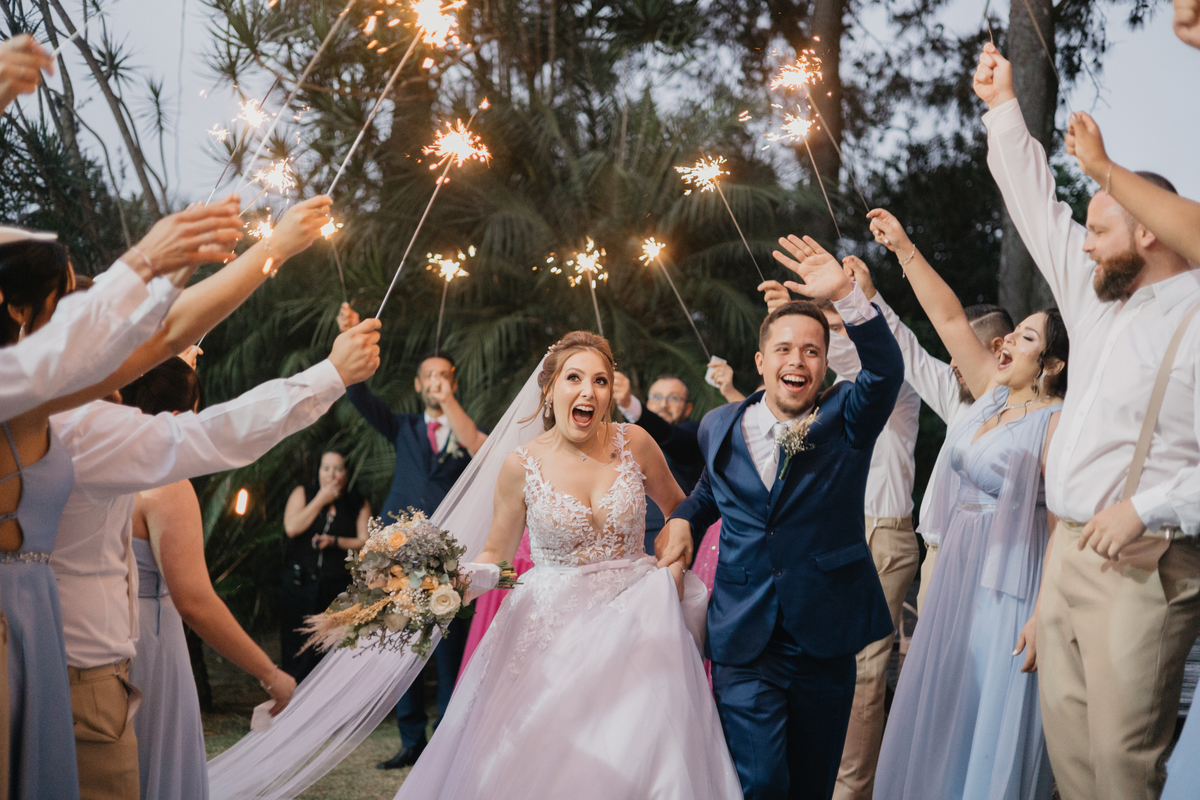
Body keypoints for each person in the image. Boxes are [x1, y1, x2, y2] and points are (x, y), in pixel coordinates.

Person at [976, 43, 1200, 800]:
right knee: (1071, 768)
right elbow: (1036, 204)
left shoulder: (1196, 321)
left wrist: (1146, 506)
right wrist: (1002, 108)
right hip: (1065, 557)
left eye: (1100, 229)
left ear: (1149, 232)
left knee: (1122, 769)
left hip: (1146, 565)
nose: (1084, 242)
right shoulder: (1099, 301)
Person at [394, 330, 742, 799]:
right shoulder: (521, 465)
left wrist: (673, 571)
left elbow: (683, 514)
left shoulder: (635, 443)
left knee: (643, 751)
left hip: (641, 620)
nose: (588, 391)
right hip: (552, 629)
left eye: (600, 380)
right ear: (549, 388)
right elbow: (497, 555)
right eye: (574, 378)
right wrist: (455, 582)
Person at [0, 201, 247, 800]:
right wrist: (155, 260)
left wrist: (179, 266)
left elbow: (160, 337)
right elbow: (155, 353)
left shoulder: (51, 404)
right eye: (62, 303)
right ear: (18, 309)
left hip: (53, 629)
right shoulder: (51, 409)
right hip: (43, 636)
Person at [657, 235, 904, 800]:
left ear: (825, 363)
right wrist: (687, 517)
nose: (798, 360)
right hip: (744, 635)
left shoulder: (847, 415)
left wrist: (846, 295)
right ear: (761, 362)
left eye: (812, 351)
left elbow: (887, 370)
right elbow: (711, 491)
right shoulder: (718, 424)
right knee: (762, 781)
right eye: (785, 349)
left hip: (824, 633)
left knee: (811, 784)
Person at [867, 207, 1065, 800]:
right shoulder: (990, 395)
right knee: (946, 696)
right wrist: (903, 247)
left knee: (990, 708)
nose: (1005, 342)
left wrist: (1043, 612)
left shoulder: (1058, 422)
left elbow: (1062, 527)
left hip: (1013, 581)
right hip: (956, 565)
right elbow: (949, 317)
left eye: (1025, 338)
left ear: (1052, 364)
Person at [760, 278, 922, 800]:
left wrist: (825, 312)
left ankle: (849, 792)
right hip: (829, 539)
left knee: (867, 674)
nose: (833, 335)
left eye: (832, 331)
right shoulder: (818, 405)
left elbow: (864, 363)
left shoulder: (890, 389)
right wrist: (792, 328)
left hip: (882, 535)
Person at [121, 356, 299, 800]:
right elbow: (195, 601)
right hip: (149, 650)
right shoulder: (166, 486)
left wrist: (166, 365)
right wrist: (269, 673)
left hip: (97, 634)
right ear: (176, 417)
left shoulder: (94, 463)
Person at [335, 302, 487, 769]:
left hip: (450, 552)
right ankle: (409, 740)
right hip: (398, 551)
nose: (436, 381)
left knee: (448, 647)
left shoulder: (466, 430)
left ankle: (447, 739)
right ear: (418, 384)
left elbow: (482, 453)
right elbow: (359, 396)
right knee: (400, 642)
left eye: (444, 375)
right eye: (429, 376)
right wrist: (350, 339)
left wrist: (450, 405)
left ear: (453, 383)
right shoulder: (401, 426)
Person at [834, 260, 1014, 612]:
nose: (952, 363)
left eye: (960, 352)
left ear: (996, 349)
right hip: (936, 556)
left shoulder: (1023, 410)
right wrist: (868, 295)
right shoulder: (954, 392)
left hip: (986, 561)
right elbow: (908, 350)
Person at [280, 450, 370, 680]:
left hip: (336, 587)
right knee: (296, 648)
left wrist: (335, 542)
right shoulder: (303, 493)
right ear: (318, 471)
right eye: (326, 468)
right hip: (300, 584)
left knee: (328, 650)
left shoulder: (357, 502)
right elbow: (292, 527)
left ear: (346, 473)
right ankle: (293, 694)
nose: (331, 474)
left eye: (338, 469)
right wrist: (321, 499)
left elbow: (365, 542)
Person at [614, 372, 705, 553]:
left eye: (673, 398)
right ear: (648, 402)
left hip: (668, 537)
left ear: (688, 408)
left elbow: (668, 435)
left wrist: (629, 405)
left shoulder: (692, 434)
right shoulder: (623, 439)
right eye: (656, 397)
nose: (663, 404)